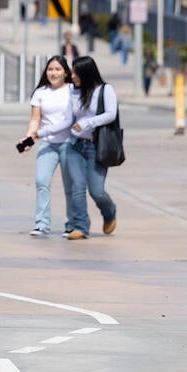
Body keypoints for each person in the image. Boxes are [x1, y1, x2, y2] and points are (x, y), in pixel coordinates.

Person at [18, 56, 74, 237]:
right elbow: (35, 119)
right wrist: (28, 139)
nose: (54, 73)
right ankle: (42, 224)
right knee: (42, 182)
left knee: (71, 185)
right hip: (48, 143)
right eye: (50, 69)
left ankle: (73, 224)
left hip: (69, 144)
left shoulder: (73, 91)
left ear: (66, 72)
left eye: (58, 69)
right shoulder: (41, 92)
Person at [64, 56, 117, 241]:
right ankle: (80, 226)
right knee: (77, 187)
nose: (71, 76)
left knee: (97, 191)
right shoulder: (72, 91)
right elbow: (68, 117)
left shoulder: (105, 90)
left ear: (85, 73)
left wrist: (88, 123)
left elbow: (111, 114)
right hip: (75, 145)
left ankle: (109, 211)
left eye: (74, 73)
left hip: (96, 147)